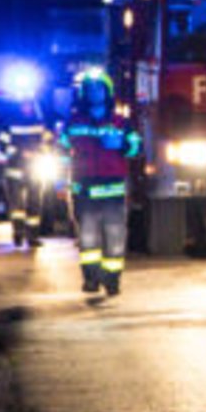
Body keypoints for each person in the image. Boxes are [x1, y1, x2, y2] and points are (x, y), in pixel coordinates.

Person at [62, 70, 138, 295]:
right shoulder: (73, 122)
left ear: (107, 92)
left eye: (99, 89)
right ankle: (91, 280)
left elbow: (136, 147)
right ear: (84, 94)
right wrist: (60, 180)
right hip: (83, 188)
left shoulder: (121, 122)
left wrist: (122, 145)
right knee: (87, 239)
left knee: (115, 237)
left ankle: (112, 280)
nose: (95, 93)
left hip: (112, 190)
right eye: (90, 89)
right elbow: (61, 150)